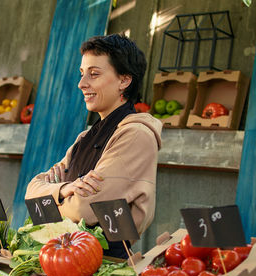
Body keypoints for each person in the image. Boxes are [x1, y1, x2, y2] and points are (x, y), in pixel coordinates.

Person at [25, 34, 162, 259]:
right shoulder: (85, 137)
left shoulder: (136, 134)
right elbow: (31, 193)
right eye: (82, 74)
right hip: (66, 255)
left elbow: (83, 209)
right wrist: (63, 189)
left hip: (104, 263)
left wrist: (50, 198)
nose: (81, 84)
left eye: (94, 74)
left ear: (124, 80)